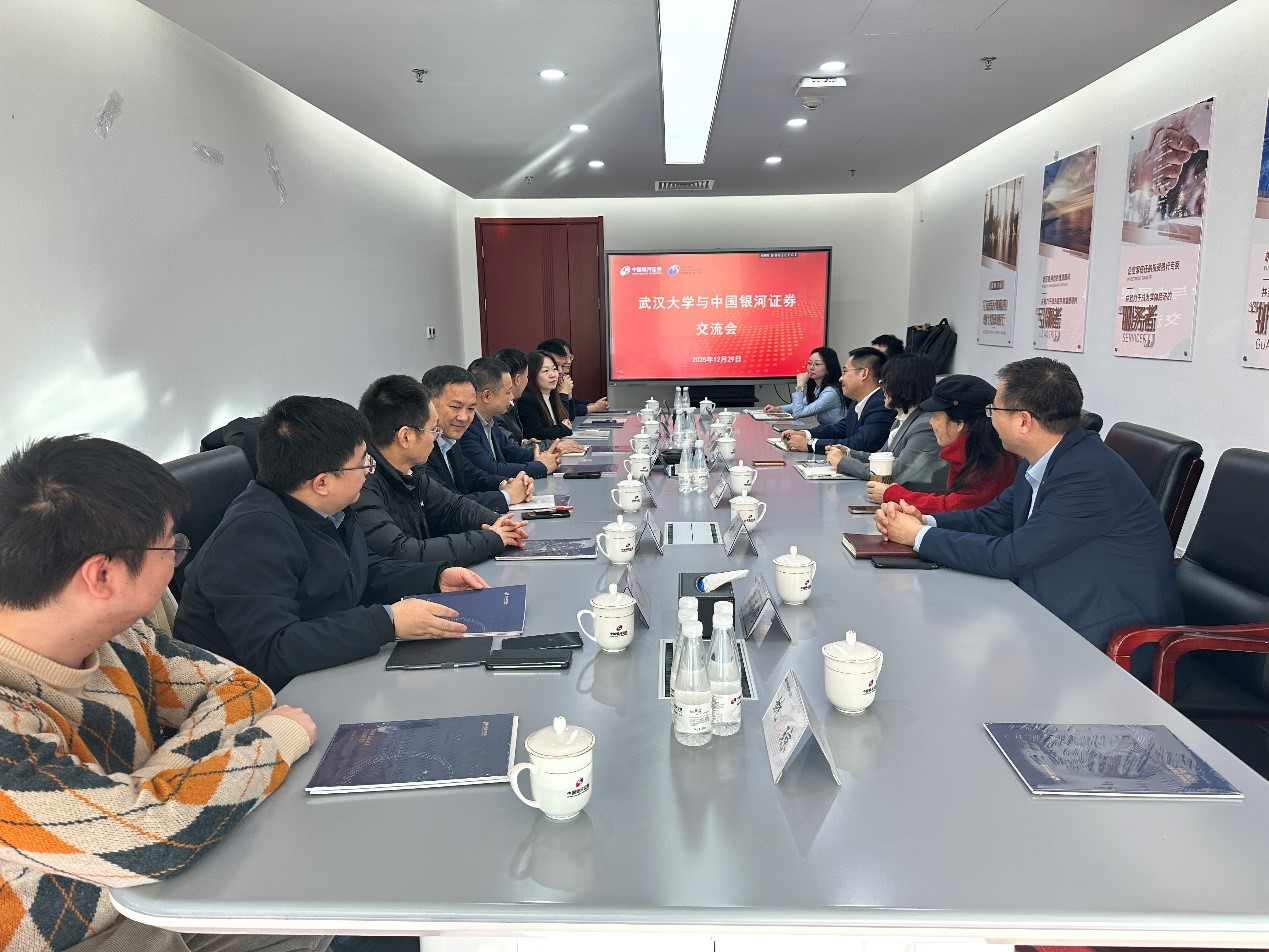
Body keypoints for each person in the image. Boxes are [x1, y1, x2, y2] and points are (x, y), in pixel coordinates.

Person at [0, 435, 329, 952]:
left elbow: (242, 690)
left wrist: (152, 799)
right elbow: (152, 843)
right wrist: (274, 741)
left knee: (312, 892)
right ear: (102, 574)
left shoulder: (119, 636)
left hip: (154, 884)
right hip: (73, 936)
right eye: (170, 546)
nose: (178, 558)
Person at [176, 395, 488, 691]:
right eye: (363, 462)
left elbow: (356, 570)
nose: (369, 470)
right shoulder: (252, 536)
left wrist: (434, 577)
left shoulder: (326, 508)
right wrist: (388, 622)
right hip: (256, 697)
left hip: (319, 671)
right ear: (322, 482)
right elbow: (273, 649)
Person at [875, 357, 1183, 652]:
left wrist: (917, 536)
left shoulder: (1086, 474)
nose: (989, 418)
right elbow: (992, 518)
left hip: (1112, 640)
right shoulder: (1043, 457)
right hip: (1053, 605)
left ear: (1024, 421)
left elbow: (1011, 556)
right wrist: (925, 521)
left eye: (993, 410)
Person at [353, 374, 527, 566]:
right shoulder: (361, 484)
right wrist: (492, 538)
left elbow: (452, 507)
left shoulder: (411, 472)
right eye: (433, 430)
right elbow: (403, 552)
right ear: (405, 437)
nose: (436, 438)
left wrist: (500, 523)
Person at [866, 374, 1018, 512]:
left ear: (959, 423)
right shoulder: (973, 450)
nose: (931, 422)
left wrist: (892, 494)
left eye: (936, 415)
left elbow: (953, 507)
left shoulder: (989, 463)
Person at [421, 365, 533, 512]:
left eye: (471, 409)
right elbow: (447, 504)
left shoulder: (449, 438)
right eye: (455, 407)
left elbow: (472, 476)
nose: (464, 417)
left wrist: (505, 484)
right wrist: (507, 496)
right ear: (429, 404)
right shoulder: (420, 448)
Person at [825, 353, 943, 489]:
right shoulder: (903, 416)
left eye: (884, 382)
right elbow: (882, 457)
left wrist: (842, 462)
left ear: (902, 384)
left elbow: (894, 473)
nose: (881, 389)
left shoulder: (925, 425)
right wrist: (848, 453)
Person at [461, 357, 563, 479]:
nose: (512, 397)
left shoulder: (490, 420)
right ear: (487, 396)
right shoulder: (466, 427)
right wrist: (541, 466)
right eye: (508, 392)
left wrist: (545, 456)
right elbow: (492, 469)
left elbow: (511, 452)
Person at [781, 346, 895, 453]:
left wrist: (810, 445)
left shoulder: (881, 404)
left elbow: (860, 443)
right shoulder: (859, 400)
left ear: (864, 374)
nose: (841, 378)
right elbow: (842, 428)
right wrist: (805, 434)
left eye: (845, 371)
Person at [763, 346, 845, 425]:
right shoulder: (818, 388)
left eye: (817, 364)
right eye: (809, 363)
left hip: (839, 433)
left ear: (829, 368)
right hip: (828, 431)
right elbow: (801, 404)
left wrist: (800, 386)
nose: (811, 368)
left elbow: (798, 413)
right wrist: (778, 409)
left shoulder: (831, 392)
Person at [537, 338, 609, 419]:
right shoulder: (536, 394)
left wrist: (569, 395)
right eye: (556, 365)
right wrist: (564, 392)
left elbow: (571, 413)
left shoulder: (560, 380)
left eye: (569, 357)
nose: (568, 361)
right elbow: (563, 417)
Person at [518, 350, 576, 442]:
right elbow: (537, 434)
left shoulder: (551, 395)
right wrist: (563, 429)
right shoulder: (526, 400)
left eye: (554, 369)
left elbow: (569, 417)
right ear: (532, 374)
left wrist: (568, 395)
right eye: (545, 371)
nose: (553, 375)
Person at [493, 346, 531, 443]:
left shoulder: (511, 404)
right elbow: (509, 447)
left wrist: (525, 442)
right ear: (517, 379)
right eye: (526, 376)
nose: (527, 381)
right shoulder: (497, 411)